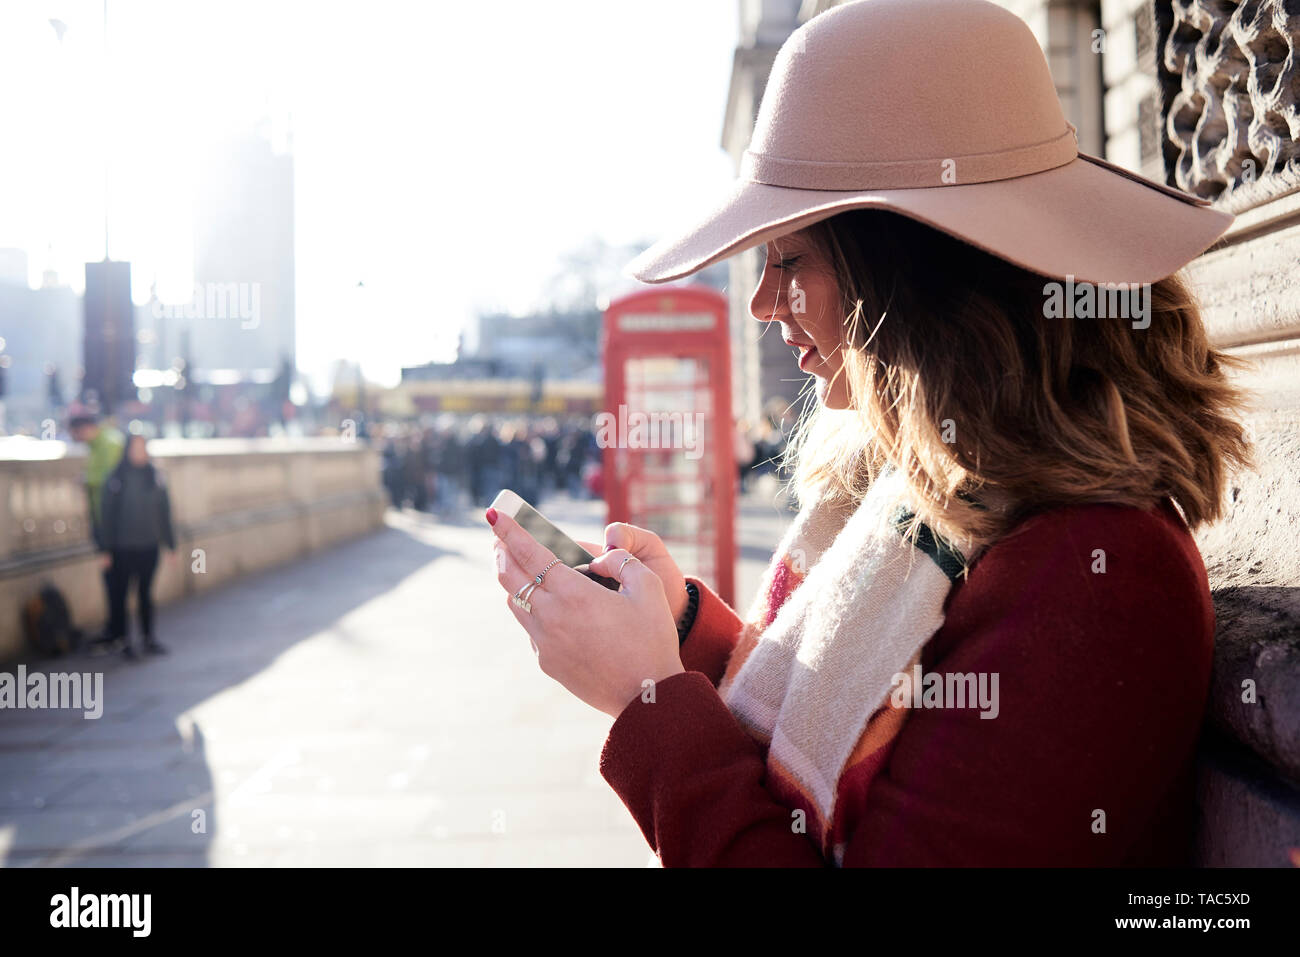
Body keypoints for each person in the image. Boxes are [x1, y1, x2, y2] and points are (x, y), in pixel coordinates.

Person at [484, 0, 1253, 866]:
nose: (762, 302)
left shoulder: (1096, 578)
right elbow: (850, 703)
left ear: (916, 276)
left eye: (792, 259)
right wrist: (685, 628)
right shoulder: (946, 486)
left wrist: (652, 701)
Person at [99, 434, 177, 658]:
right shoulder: (116, 477)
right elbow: (107, 515)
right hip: (123, 548)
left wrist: (171, 545)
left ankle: (148, 638)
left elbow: (165, 513)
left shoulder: (155, 476)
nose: (139, 452)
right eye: (135, 448)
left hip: (149, 546)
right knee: (121, 596)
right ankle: (124, 641)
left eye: (143, 448)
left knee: (145, 594)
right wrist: (105, 549)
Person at [68, 406, 125, 648]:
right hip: (105, 524)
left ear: (84, 429)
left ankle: (117, 631)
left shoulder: (109, 443)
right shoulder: (101, 444)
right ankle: (115, 629)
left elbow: (109, 482)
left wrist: (86, 480)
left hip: (111, 527)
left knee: (115, 578)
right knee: (111, 577)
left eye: (75, 433)